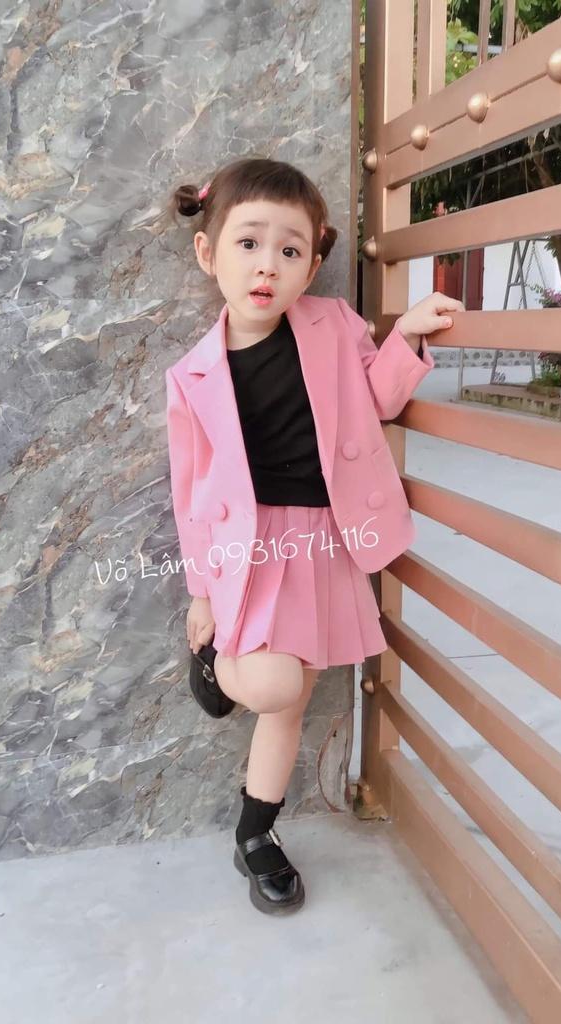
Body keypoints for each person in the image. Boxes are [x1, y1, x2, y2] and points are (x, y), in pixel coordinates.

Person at [165, 156, 464, 915]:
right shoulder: (192, 376)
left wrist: (406, 338)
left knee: (291, 700)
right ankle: (214, 666)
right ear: (208, 253)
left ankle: (254, 833)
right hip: (249, 552)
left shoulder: (332, 326)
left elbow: (376, 399)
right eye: (249, 243)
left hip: (323, 540)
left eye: (289, 250)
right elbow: (190, 491)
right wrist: (201, 594)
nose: (268, 265)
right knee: (273, 684)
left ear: (312, 264)